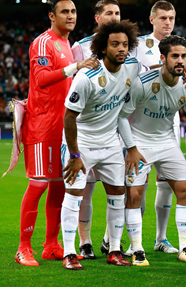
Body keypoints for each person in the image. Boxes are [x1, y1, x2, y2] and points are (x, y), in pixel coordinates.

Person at [15, 0, 99, 267]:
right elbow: (40, 80)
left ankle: (51, 244)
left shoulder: (67, 44)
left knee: (59, 187)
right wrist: (75, 67)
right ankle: (23, 248)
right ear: (52, 16)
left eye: (74, 11)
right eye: (64, 12)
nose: (71, 16)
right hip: (40, 126)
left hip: (63, 128)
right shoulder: (43, 43)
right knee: (38, 185)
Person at [60, 19, 143, 270]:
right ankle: (70, 252)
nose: (121, 49)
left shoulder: (131, 68)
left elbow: (158, 69)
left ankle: (115, 250)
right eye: (115, 44)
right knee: (74, 195)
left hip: (109, 143)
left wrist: (130, 147)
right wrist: (74, 154)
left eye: (125, 45)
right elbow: (69, 118)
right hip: (82, 142)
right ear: (102, 48)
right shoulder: (87, 77)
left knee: (118, 195)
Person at [118, 35, 186, 265]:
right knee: (134, 194)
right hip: (140, 141)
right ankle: (136, 249)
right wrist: (132, 148)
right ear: (162, 58)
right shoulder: (142, 83)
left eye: (184, 56)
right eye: (175, 56)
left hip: (167, 142)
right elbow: (123, 117)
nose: (180, 61)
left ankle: (185, 248)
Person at [126, 0, 180, 255]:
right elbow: (131, 79)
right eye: (162, 18)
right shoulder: (138, 46)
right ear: (152, 20)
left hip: (171, 119)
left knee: (167, 182)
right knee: (138, 182)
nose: (167, 22)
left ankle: (161, 238)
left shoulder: (179, 45)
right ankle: (130, 241)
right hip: (142, 122)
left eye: (171, 17)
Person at [70, 0, 122, 260]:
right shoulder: (79, 47)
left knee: (121, 189)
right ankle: (85, 242)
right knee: (85, 189)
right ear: (98, 17)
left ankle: (110, 241)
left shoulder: (126, 45)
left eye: (117, 13)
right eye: (109, 13)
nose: (114, 17)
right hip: (86, 127)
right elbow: (69, 80)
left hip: (115, 127)